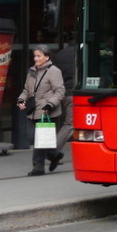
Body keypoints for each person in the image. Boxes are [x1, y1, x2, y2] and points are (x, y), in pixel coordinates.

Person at [16, 44, 66, 176]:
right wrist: (21, 100)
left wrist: (49, 105)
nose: (36, 59)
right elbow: (27, 90)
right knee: (33, 138)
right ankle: (54, 155)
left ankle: (38, 168)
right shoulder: (32, 71)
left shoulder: (54, 71)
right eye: (35, 56)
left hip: (47, 111)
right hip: (33, 111)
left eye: (39, 56)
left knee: (39, 140)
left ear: (47, 57)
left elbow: (60, 91)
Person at [49, 43, 77, 172]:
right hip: (75, 93)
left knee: (69, 122)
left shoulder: (60, 55)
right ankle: (52, 151)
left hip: (65, 92)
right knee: (70, 124)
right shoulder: (81, 53)